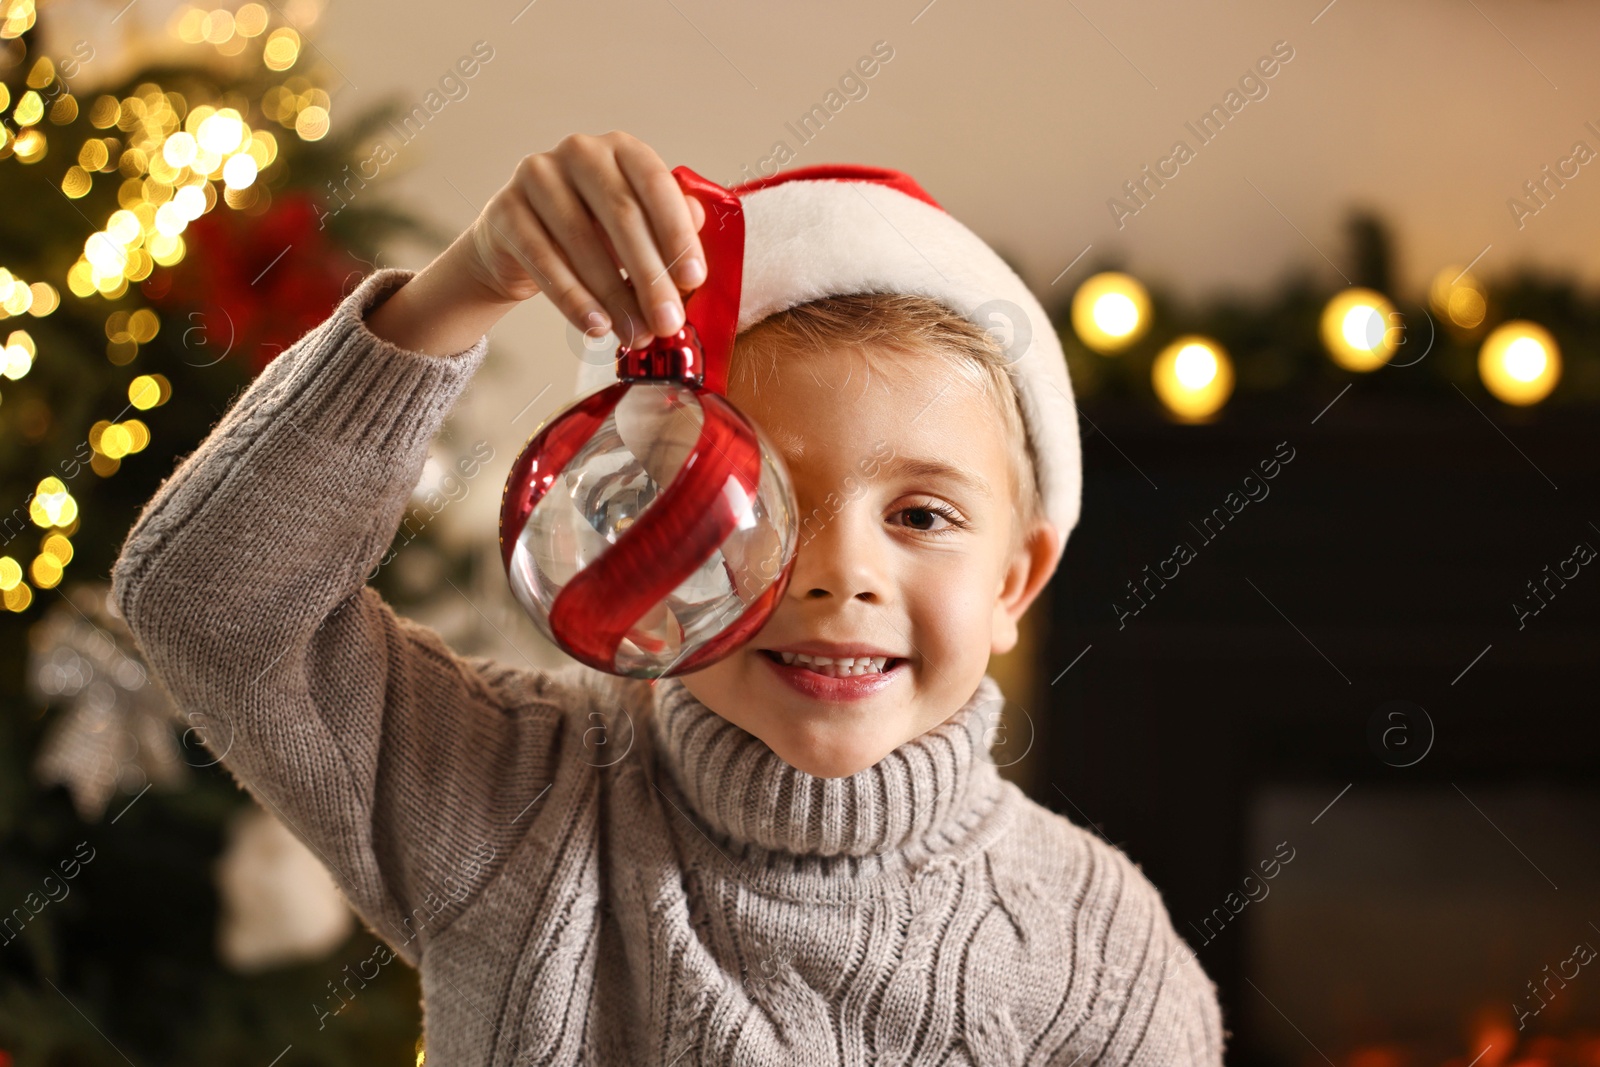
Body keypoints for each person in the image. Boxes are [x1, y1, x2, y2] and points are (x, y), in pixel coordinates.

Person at [110, 130, 1226, 1064]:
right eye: (759, 500)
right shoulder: (514, 796)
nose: (839, 575)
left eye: (921, 514)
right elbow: (209, 601)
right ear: (646, 531)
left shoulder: (1102, 952)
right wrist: (465, 286)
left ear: (1014, 580)